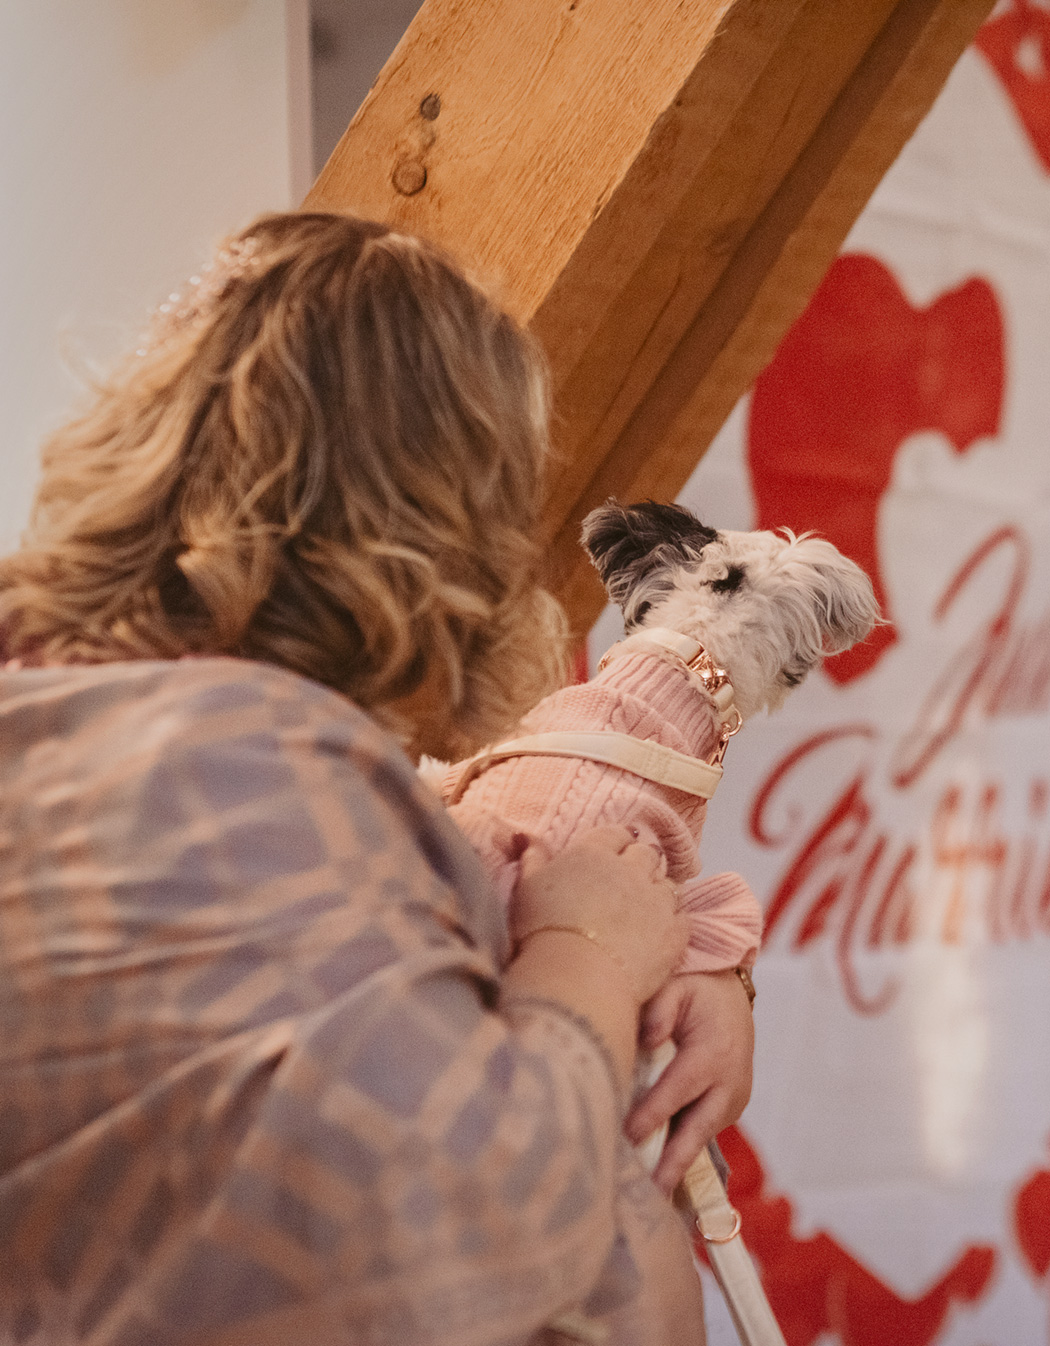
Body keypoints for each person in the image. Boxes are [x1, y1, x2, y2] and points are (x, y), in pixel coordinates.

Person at [0, 213, 750, 1344]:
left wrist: (698, 971)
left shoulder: (64, 714)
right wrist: (589, 955)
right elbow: (463, 1209)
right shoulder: (247, 766)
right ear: (446, 523)